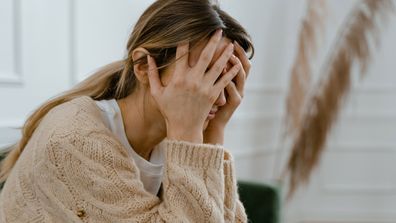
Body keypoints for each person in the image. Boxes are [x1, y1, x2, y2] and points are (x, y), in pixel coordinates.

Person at [0, 0, 254, 222]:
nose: (218, 97)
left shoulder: (177, 134)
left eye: (227, 79)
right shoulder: (75, 139)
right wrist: (191, 134)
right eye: (203, 75)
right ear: (144, 66)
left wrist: (214, 132)